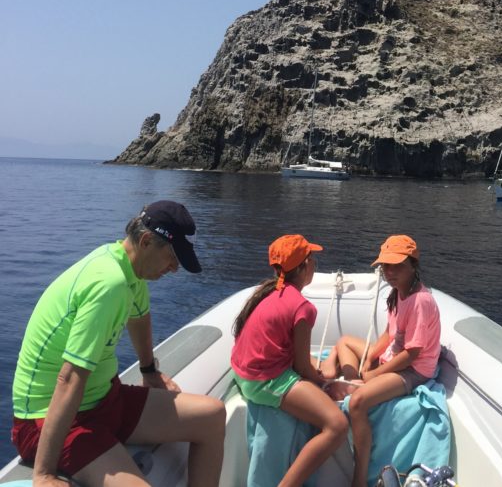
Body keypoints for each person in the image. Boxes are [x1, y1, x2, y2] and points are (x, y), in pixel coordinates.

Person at [10, 201, 225, 487]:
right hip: (49, 419)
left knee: (212, 416)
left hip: (103, 399)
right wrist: (44, 473)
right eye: (173, 257)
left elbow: (140, 317)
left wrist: (149, 370)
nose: (174, 268)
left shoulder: (129, 270)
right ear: (147, 241)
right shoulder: (109, 284)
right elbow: (70, 377)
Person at [319, 235, 441, 487]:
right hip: (395, 357)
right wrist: (371, 358)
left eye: (397, 266)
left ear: (413, 265)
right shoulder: (398, 293)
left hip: (414, 370)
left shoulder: (420, 301)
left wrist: (376, 373)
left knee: (358, 403)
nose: (389, 272)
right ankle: (349, 377)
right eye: (386, 266)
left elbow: (412, 354)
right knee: (343, 342)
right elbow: (389, 333)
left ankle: (360, 477)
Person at [229, 235, 348, 487]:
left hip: (242, 371)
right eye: (312, 259)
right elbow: (302, 368)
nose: (314, 264)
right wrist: (324, 381)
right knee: (336, 425)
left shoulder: (269, 294)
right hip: (263, 381)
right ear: (304, 266)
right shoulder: (302, 308)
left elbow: (291, 352)